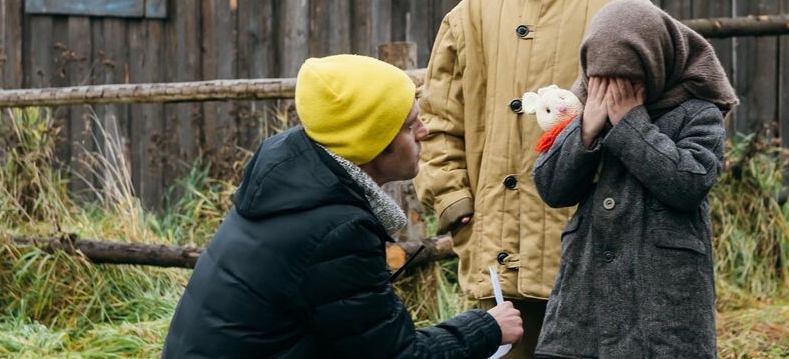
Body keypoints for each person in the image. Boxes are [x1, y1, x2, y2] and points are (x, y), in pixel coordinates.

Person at [413, 0, 650, 357]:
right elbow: (437, 121)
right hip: (494, 234)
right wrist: (456, 207)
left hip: (590, 231)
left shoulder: (627, 11)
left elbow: (659, 119)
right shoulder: (474, 11)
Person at [163, 55, 523, 358]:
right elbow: (397, 354)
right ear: (373, 142)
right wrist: (487, 327)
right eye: (410, 125)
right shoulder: (334, 229)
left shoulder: (297, 178)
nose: (425, 131)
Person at [531, 0, 739, 358]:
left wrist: (631, 123)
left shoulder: (698, 113)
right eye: (601, 79)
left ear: (654, 65)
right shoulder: (585, 111)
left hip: (664, 309)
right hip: (584, 306)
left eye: (627, 79)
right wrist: (584, 131)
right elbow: (551, 187)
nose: (612, 92)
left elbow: (689, 183)